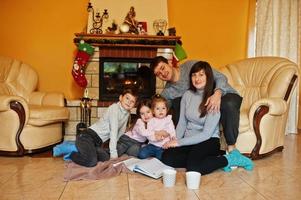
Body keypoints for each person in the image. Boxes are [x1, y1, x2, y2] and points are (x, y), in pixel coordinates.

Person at [162, 61, 253, 174]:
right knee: (167, 157)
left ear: (208, 76)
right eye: (194, 75)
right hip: (190, 140)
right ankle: (210, 160)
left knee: (193, 167)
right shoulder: (187, 95)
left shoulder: (214, 99)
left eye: (201, 75)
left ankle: (230, 159)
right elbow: (182, 123)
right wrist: (175, 141)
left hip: (208, 140)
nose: (197, 78)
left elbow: (206, 134)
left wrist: (180, 143)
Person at [150, 56, 242, 153]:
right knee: (177, 103)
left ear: (169, 63)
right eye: (158, 74)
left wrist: (217, 93)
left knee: (227, 104)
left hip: (226, 94)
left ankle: (232, 147)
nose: (162, 73)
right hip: (204, 103)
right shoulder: (168, 92)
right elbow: (159, 109)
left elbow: (221, 77)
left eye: (162, 68)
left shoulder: (190, 66)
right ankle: (184, 143)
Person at [70, 89, 138, 167]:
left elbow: (120, 132)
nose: (129, 102)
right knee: (91, 162)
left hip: (97, 142)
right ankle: (71, 152)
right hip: (87, 136)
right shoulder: (114, 108)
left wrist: (116, 146)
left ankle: (86, 149)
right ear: (120, 98)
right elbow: (114, 131)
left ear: (134, 105)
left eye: (132, 101)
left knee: (105, 157)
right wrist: (114, 155)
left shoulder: (127, 113)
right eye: (127, 98)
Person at [138, 94, 176, 160]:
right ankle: (147, 149)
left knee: (161, 157)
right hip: (152, 145)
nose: (161, 111)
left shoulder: (168, 119)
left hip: (163, 146)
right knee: (141, 154)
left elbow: (172, 130)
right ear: (153, 111)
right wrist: (155, 137)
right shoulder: (151, 121)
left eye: (163, 108)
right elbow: (149, 134)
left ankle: (158, 155)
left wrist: (173, 137)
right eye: (158, 109)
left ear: (167, 110)